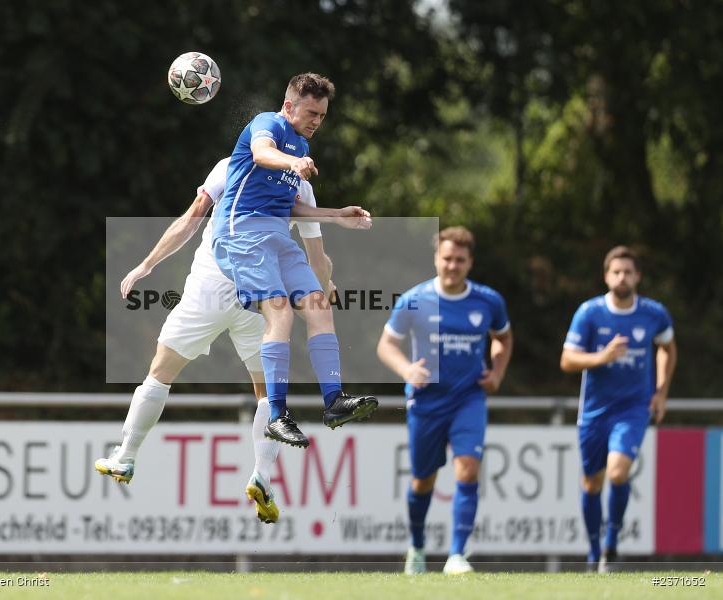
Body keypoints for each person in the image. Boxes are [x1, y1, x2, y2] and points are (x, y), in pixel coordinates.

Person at [95, 156, 350, 524]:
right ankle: (262, 474)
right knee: (266, 391)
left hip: (210, 286)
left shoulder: (232, 165)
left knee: (161, 372)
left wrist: (146, 264)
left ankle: (127, 456)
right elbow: (318, 259)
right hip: (258, 290)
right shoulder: (301, 186)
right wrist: (323, 289)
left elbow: (191, 219)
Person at [212, 72, 378, 449]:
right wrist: (292, 163)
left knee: (319, 304)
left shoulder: (300, 147)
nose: (317, 121)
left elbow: (292, 208)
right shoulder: (267, 124)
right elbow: (261, 154)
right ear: (289, 106)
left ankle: (334, 401)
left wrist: (339, 215)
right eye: (311, 113)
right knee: (281, 312)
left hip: (277, 239)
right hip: (241, 235)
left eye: (322, 115)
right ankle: (277, 415)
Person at [376, 226, 513, 575]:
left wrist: (496, 372)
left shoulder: (488, 301)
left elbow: (503, 338)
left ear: (470, 263)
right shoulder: (414, 300)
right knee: (423, 480)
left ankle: (456, 555)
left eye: (460, 260)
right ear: (437, 258)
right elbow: (386, 345)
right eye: (447, 258)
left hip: (469, 398)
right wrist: (407, 370)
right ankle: (418, 547)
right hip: (426, 402)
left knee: (468, 469)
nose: (452, 265)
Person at [560, 245, 677, 572]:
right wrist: (601, 357)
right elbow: (567, 360)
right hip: (595, 412)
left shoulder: (654, 313)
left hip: (633, 408)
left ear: (638, 276)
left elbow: (667, 347)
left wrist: (661, 392)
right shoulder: (589, 313)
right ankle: (594, 551)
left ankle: (612, 542)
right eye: (616, 271)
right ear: (606, 276)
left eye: (628, 271)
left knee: (618, 472)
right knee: (592, 483)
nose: (622, 277)